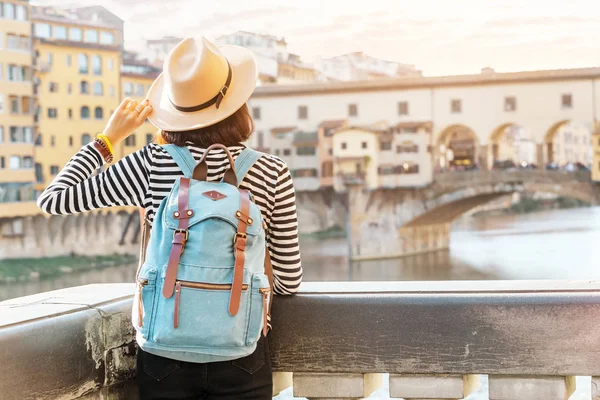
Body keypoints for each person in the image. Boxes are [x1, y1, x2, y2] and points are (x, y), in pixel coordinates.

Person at [37, 36, 302, 399]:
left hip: (164, 354)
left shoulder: (151, 164)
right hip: (242, 353)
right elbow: (288, 281)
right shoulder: (272, 172)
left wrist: (108, 139)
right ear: (239, 103)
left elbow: (55, 199)